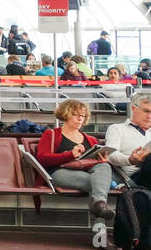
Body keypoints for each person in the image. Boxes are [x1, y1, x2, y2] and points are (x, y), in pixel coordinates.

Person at [37, 100, 117, 242]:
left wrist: (102, 160)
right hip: (57, 173)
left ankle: (99, 208)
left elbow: (96, 165)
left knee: (103, 168)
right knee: (99, 185)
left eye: (82, 115)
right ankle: (101, 237)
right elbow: (42, 159)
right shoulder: (52, 134)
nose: (80, 118)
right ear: (65, 115)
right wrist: (70, 154)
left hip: (85, 173)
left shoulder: (91, 139)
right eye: (75, 115)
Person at [104, 91, 151, 181]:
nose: (149, 116)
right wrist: (130, 160)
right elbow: (110, 154)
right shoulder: (117, 129)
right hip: (136, 176)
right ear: (134, 108)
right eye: (146, 111)